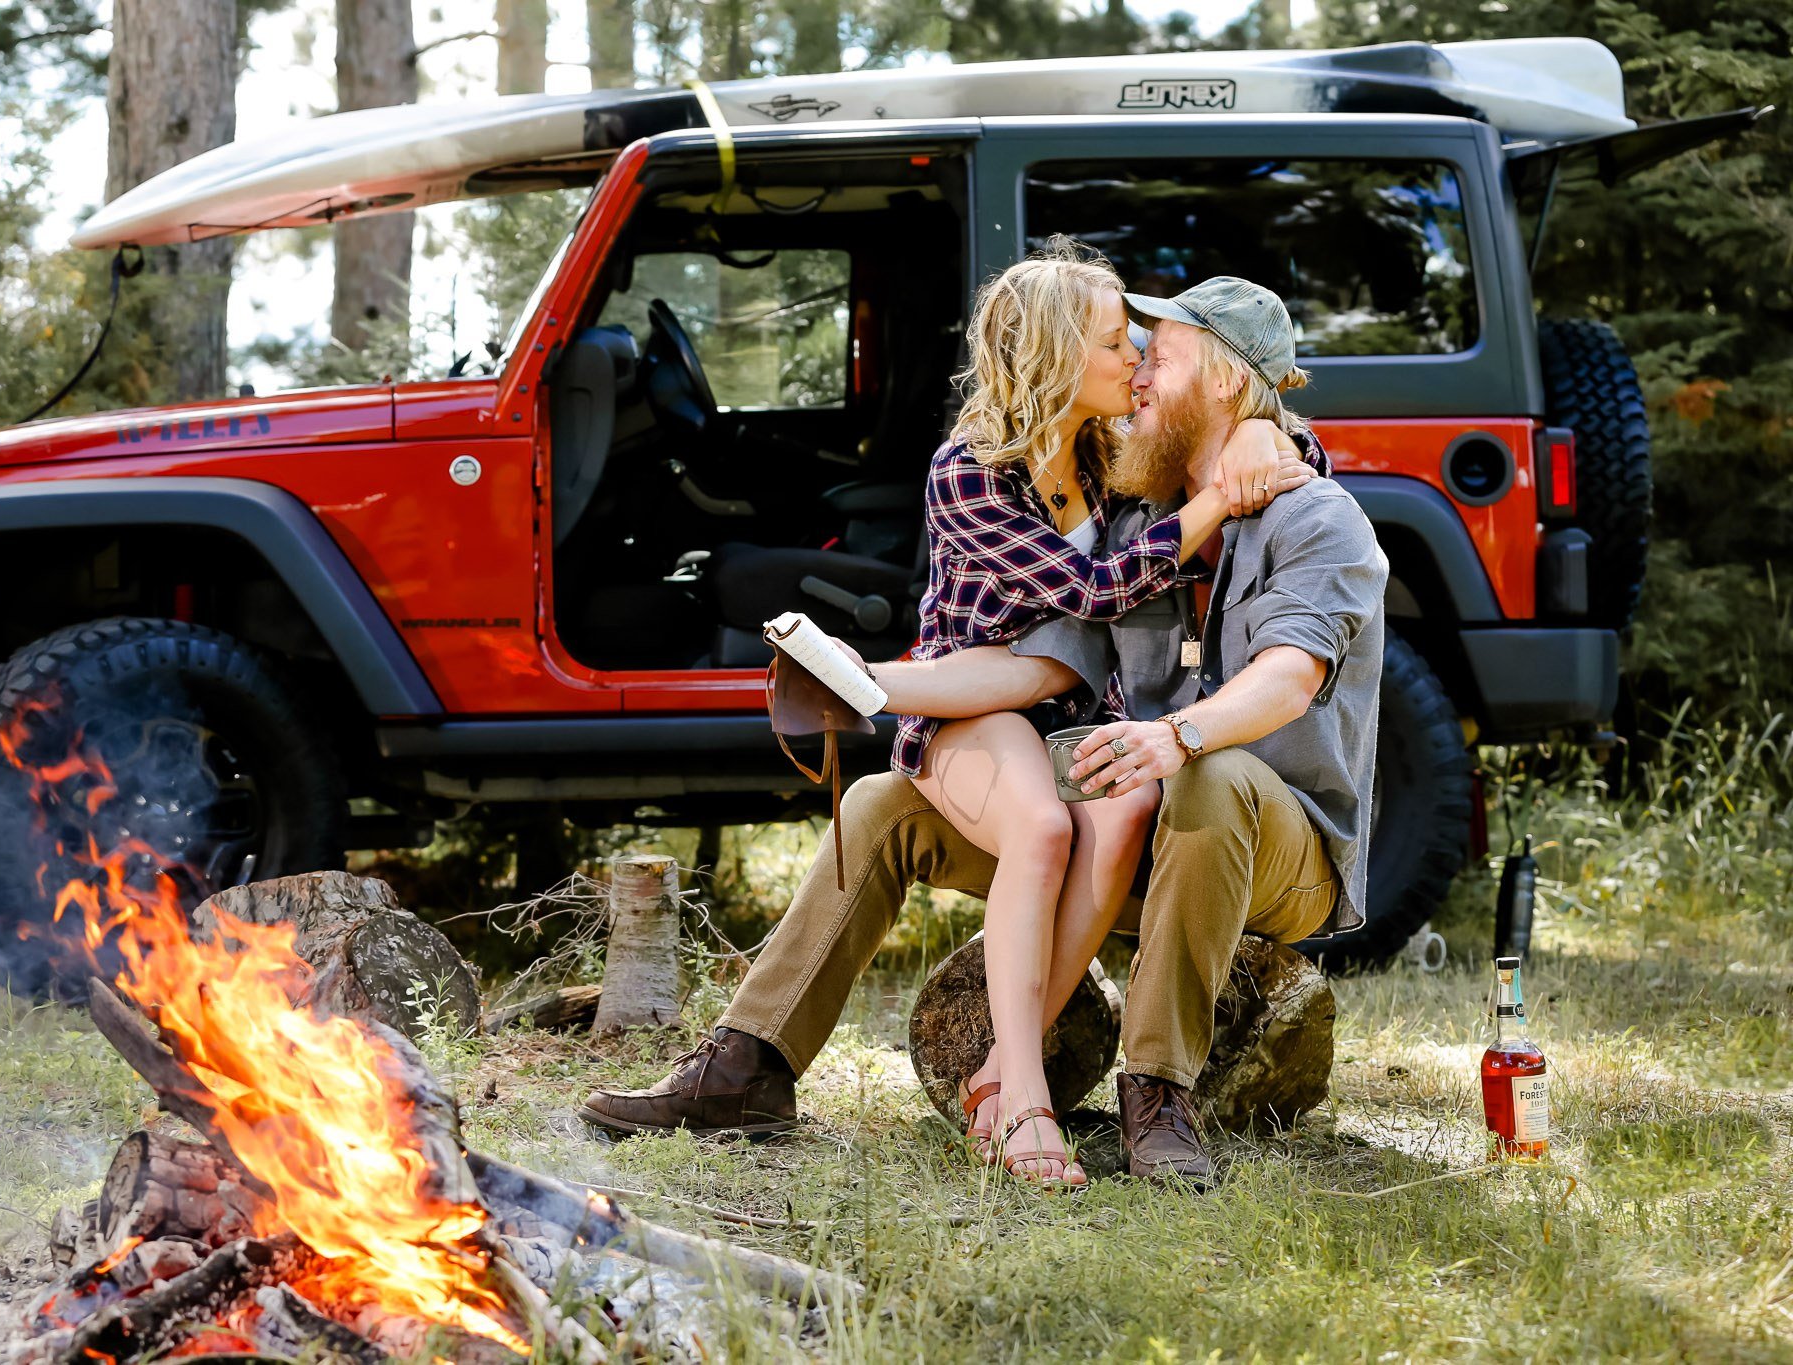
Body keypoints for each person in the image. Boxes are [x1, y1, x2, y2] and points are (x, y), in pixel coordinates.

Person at [579, 274, 1388, 1190]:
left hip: (1277, 852)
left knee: (1206, 775)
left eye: (1159, 357)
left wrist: (1180, 733)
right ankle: (746, 1066)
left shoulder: (1316, 517)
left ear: (1228, 382)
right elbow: (1045, 666)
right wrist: (867, 682)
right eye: (1129, 349)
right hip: (1144, 832)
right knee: (884, 804)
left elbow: (1289, 676)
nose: (1139, 371)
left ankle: (1156, 1092)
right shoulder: (1135, 514)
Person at [771, 239, 1318, 1189]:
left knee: (1124, 805)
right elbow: (1092, 589)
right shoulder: (969, 471)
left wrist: (1273, 443)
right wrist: (1212, 508)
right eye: (1115, 342)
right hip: (973, 707)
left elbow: (1256, 437)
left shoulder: (1111, 450)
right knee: (1040, 826)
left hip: (1069, 711)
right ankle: (1023, 1094)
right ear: (1058, 355)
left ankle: (993, 1071)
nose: (1135, 359)